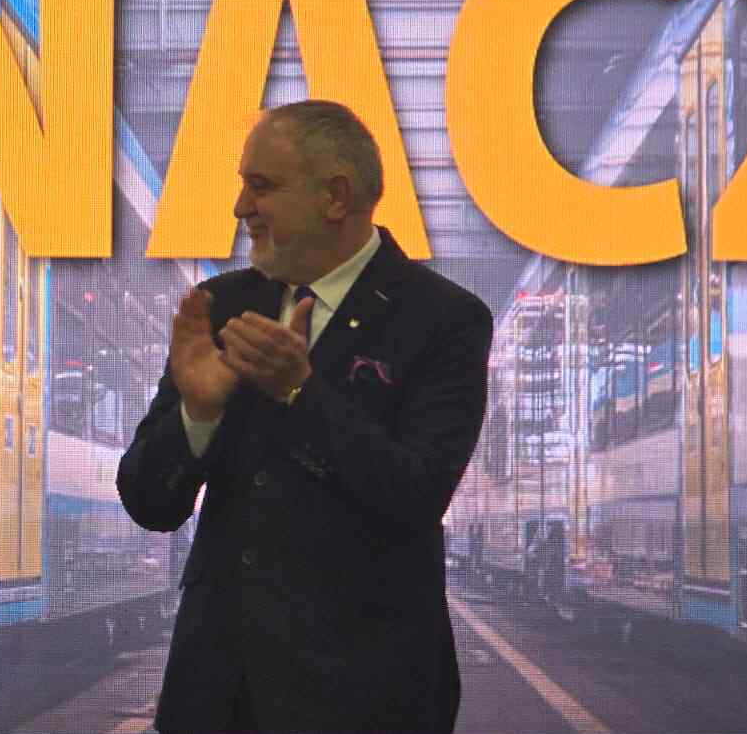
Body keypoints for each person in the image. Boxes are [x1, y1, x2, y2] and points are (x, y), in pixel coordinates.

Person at [118, 101, 493, 733]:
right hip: (218, 698)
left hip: (365, 699)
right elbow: (149, 503)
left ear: (335, 198)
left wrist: (300, 392)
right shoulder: (222, 305)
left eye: (261, 186)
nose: (240, 207)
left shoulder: (444, 319)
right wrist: (198, 415)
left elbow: (416, 494)